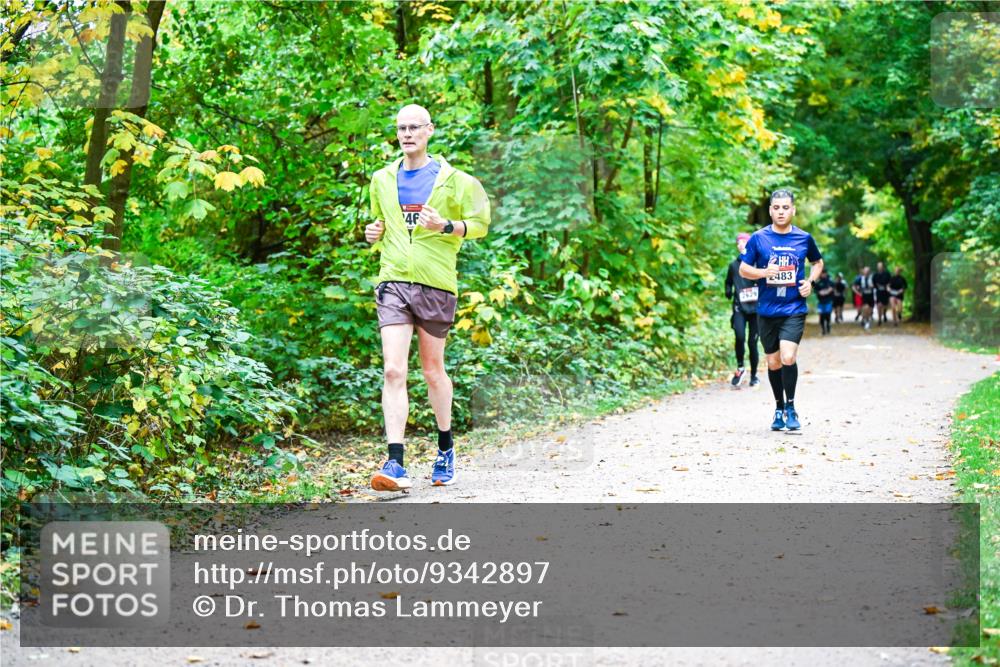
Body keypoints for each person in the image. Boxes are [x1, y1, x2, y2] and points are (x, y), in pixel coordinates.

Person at [364, 104, 491, 491]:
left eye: (414, 127)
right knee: (393, 370)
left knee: (433, 370)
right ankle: (395, 462)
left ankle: (445, 447)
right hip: (394, 282)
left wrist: (447, 225)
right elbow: (381, 227)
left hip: (436, 283)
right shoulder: (382, 179)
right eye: (401, 128)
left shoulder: (457, 180)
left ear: (429, 131)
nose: (407, 134)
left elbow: (481, 225)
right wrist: (373, 234)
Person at [740, 188, 824, 431]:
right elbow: (745, 269)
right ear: (770, 210)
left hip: (793, 308)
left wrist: (810, 282)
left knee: (788, 356)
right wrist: (764, 273)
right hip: (766, 310)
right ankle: (778, 408)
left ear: (793, 210)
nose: (780, 212)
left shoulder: (803, 238)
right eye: (776, 208)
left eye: (785, 207)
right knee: (774, 362)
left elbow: (817, 263)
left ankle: (791, 407)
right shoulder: (759, 238)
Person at [725, 232, 760, 387]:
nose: (740, 244)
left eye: (743, 241)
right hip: (739, 308)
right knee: (739, 337)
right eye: (738, 242)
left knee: (752, 343)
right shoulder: (733, 265)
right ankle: (740, 368)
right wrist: (728, 291)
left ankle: (754, 375)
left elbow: (768, 279)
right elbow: (728, 282)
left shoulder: (758, 263)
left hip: (756, 310)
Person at [852, 266, 875, 330]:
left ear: (869, 272)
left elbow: (877, 285)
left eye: (868, 271)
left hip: (871, 296)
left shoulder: (872, 278)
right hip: (864, 296)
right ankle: (866, 321)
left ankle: (865, 319)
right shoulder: (860, 278)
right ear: (863, 272)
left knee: (870, 311)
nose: (867, 272)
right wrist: (858, 293)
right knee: (865, 308)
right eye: (865, 271)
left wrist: (873, 287)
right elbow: (853, 287)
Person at [813, 269, 835, 335]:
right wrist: (819, 292)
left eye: (824, 273)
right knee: (821, 316)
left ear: (826, 273)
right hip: (820, 302)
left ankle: (828, 325)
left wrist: (827, 291)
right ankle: (823, 330)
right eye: (822, 273)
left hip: (828, 301)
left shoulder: (830, 281)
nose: (823, 275)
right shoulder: (818, 281)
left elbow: (832, 288)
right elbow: (815, 289)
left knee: (827, 315)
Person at [872, 261, 892, 326]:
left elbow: (890, 281)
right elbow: (873, 283)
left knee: (885, 305)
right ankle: (879, 319)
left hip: (885, 291)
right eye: (878, 266)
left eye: (881, 266)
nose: (879, 267)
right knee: (879, 305)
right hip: (878, 292)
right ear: (877, 267)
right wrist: (874, 287)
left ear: (883, 267)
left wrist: (888, 286)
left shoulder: (887, 274)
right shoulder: (875, 275)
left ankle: (885, 314)